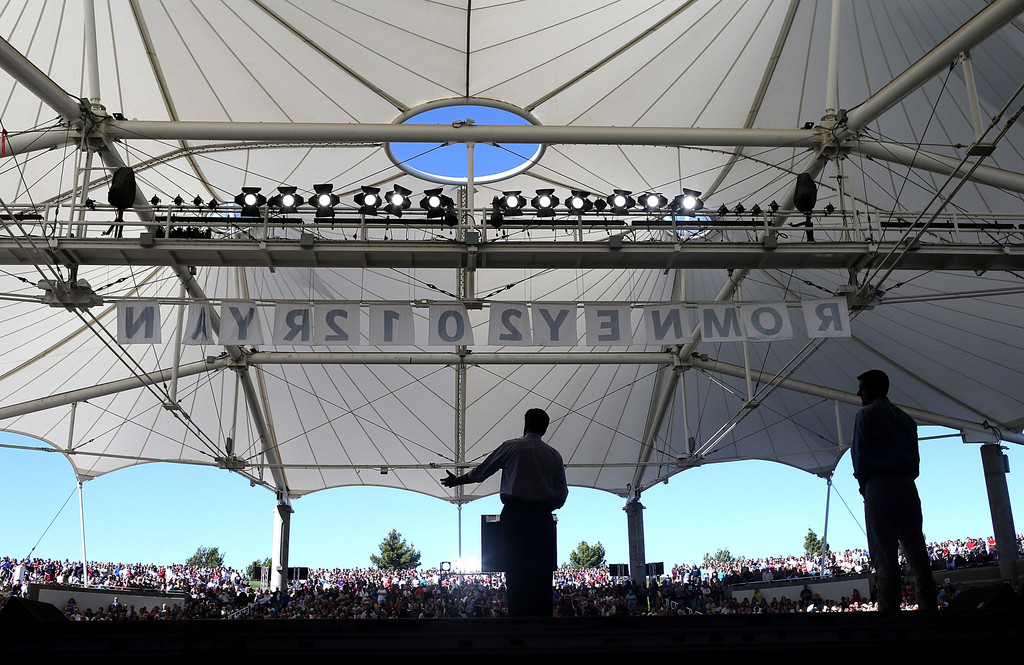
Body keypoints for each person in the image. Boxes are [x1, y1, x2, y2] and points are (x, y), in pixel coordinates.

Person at [442, 408, 568, 617]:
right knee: (542, 568)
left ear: (525, 424)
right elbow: (562, 493)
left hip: (515, 514)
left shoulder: (511, 447)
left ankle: (517, 619)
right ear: (545, 428)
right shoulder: (554, 455)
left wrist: (457, 480)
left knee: (516, 565)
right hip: (542, 517)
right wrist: (545, 507)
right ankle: (543, 621)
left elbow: (482, 472)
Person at [851, 369, 937, 613]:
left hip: (878, 486)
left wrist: (866, 489)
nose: (858, 393)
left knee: (885, 558)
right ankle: (930, 613)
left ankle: (890, 620)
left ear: (875, 388)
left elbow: (859, 460)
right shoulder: (906, 420)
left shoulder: (864, 415)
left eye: (862, 387)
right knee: (918, 554)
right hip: (907, 487)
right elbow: (915, 462)